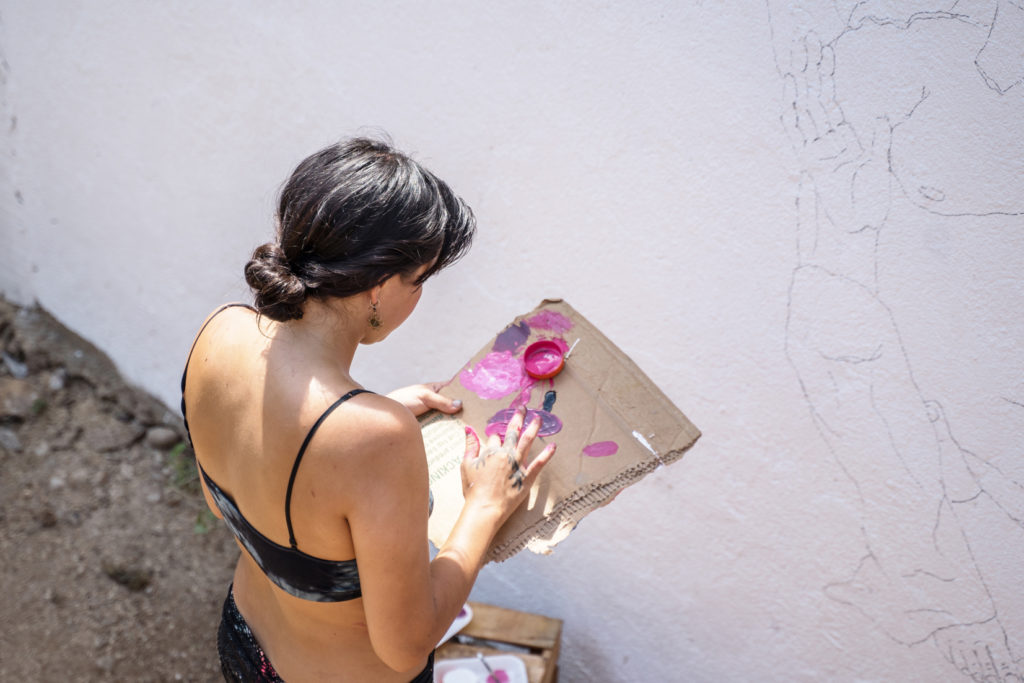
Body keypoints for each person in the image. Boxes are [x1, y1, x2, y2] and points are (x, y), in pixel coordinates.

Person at [179, 137, 557, 682]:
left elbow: (227, 502)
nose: (420, 295)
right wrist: (486, 509)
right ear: (378, 288)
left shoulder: (221, 329)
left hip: (243, 644)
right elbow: (404, 648)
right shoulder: (375, 438)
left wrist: (355, 417)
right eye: (420, 279)